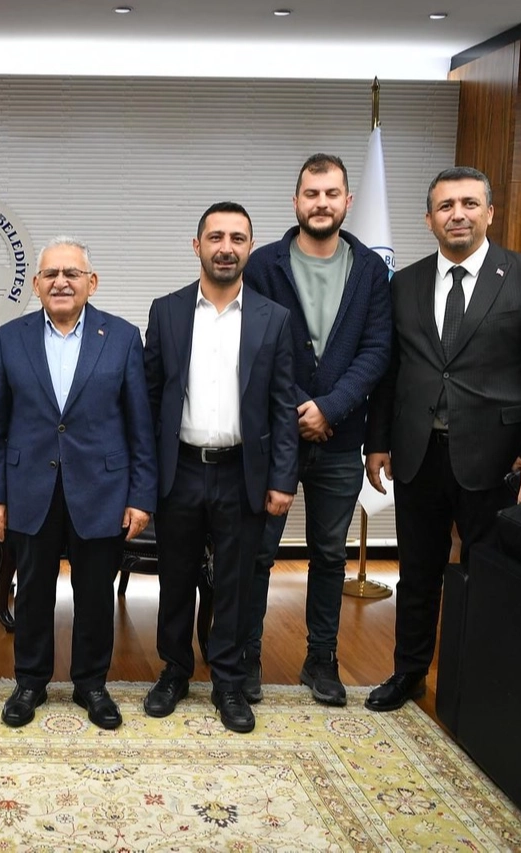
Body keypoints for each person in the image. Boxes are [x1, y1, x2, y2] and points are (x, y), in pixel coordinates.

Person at [364, 166, 521, 711]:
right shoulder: (404, 284)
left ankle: (483, 686)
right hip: (418, 456)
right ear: (429, 218)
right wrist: (378, 442)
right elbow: (390, 372)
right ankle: (408, 674)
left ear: (489, 213)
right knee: (417, 575)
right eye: (446, 206)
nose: (458, 214)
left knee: (489, 577)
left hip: (497, 460)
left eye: (469, 204)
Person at [0, 237, 157, 730]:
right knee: (32, 591)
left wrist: (141, 497)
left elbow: (140, 425)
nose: (61, 282)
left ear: (91, 283)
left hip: (102, 490)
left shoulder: (121, 337)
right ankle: (30, 682)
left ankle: (91, 684)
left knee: (95, 593)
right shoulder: (10, 338)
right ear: (36, 284)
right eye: (51, 274)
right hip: (28, 488)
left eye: (72, 273)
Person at [241, 154, 392, 706]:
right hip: (272, 440)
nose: (321, 203)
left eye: (331, 194)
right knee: (258, 553)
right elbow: (253, 348)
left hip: (342, 437)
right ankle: (247, 658)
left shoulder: (371, 270)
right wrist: (301, 408)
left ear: (347, 201)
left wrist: (330, 408)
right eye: (311, 193)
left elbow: (377, 350)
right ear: (296, 200)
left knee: (330, 555)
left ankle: (321, 660)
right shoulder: (264, 265)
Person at [143, 202, 298, 734]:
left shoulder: (273, 318)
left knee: (235, 582)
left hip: (242, 472)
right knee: (176, 577)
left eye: (237, 238)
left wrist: (282, 479)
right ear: (197, 246)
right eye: (216, 237)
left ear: (250, 247)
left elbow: (282, 407)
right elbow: (149, 398)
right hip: (180, 469)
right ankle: (174, 671)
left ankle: (228, 682)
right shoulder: (166, 311)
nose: (226, 248)